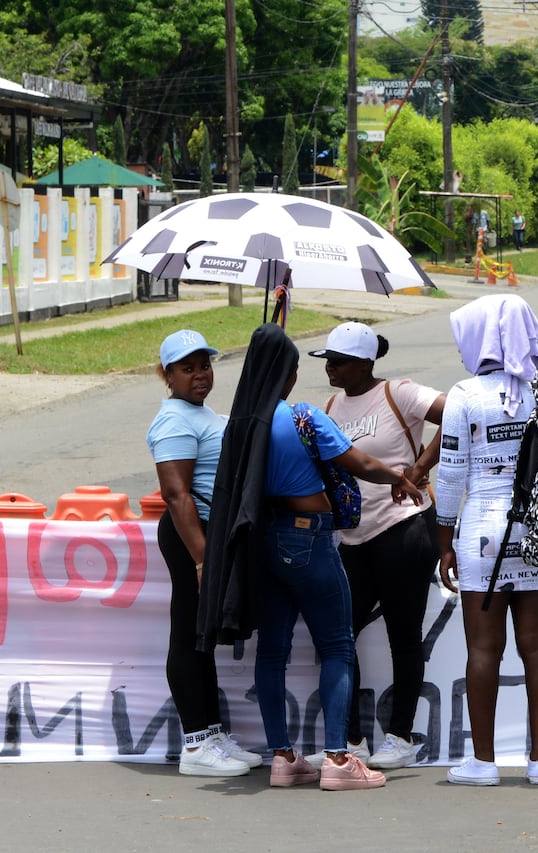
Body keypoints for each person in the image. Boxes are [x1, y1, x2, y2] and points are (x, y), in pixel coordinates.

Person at [199, 323, 424, 791]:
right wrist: (398, 479)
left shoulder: (237, 424)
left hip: (265, 543)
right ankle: (339, 760)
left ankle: (282, 758)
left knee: (273, 651)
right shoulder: (301, 417)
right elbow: (356, 462)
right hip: (309, 538)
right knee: (338, 645)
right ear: (285, 374)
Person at [435, 294, 538, 787]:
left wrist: (444, 540)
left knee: (484, 649)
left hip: (484, 531)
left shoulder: (466, 395)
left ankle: (484, 762)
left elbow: (450, 476)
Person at [311, 322, 445, 770]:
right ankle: (350, 739)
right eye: (327, 359)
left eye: (339, 361)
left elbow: (461, 413)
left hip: (403, 529)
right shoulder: (330, 405)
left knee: (403, 637)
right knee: (338, 637)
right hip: (351, 537)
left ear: (365, 363)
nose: (329, 367)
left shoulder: (399, 393)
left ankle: (400, 736)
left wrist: (422, 467)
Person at [146, 329, 263, 777]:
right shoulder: (174, 420)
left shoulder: (200, 412)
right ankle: (195, 744)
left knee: (203, 639)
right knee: (189, 637)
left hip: (211, 535)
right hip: (192, 536)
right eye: (187, 368)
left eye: (205, 365)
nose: (200, 375)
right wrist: (201, 559)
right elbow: (177, 495)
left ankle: (212, 734)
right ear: (168, 374)